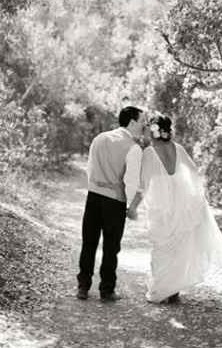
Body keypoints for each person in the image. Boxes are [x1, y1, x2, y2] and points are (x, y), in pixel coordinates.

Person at [137, 114, 222, 303]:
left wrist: (132, 207)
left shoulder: (149, 152)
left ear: (155, 130)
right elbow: (193, 171)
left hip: (162, 203)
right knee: (178, 245)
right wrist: (196, 197)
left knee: (161, 246)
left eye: (148, 127)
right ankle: (173, 290)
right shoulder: (178, 148)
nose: (146, 129)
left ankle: (160, 289)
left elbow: (143, 185)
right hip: (180, 200)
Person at [76, 106, 147, 302]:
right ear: (132, 122)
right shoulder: (133, 148)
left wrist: (97, 186)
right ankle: (106, 290)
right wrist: (131, 206)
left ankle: (83, 286)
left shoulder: (100, 138)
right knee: (111, 247)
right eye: (142, 121)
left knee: (88, 243)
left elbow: (90, 169)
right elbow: (131, 181)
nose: (144, 126)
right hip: (115, 201)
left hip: (93, 196)